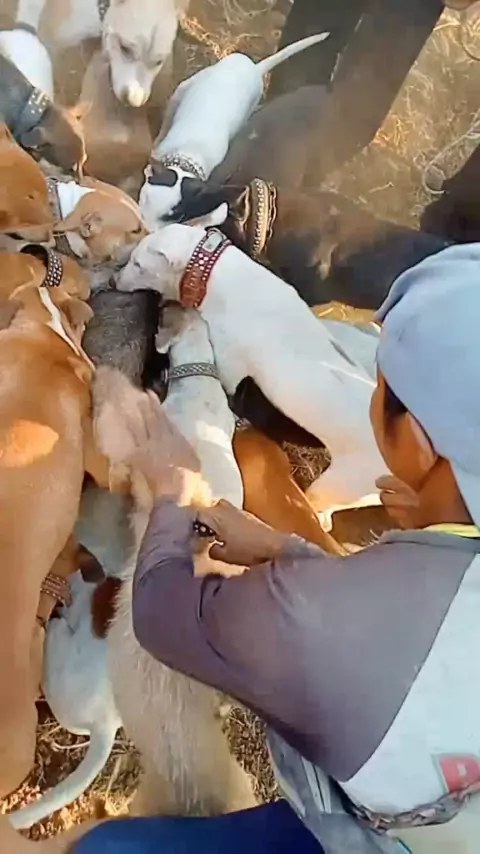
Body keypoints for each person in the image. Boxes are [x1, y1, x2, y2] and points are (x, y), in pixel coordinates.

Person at [8, 244, 480, 851]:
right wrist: (292, 550)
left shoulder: (321, 626)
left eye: (379, 381)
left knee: (104, 848)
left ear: (415, 441)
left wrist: (174, 489)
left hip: (376, 838)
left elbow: (166, 618)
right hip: (437, 819)